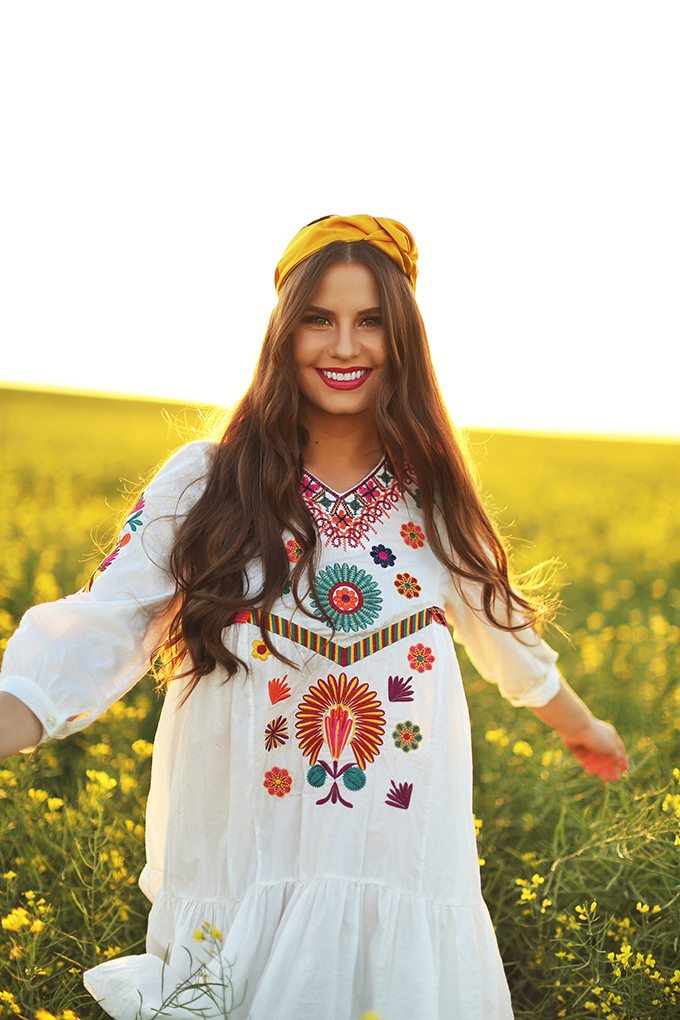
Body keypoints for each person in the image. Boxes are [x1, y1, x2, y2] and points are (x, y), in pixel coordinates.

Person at [0, 214, 628, 1020]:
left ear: (402, 340)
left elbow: (508, 638)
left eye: (370, 321)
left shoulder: (433, 502)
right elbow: (106, 622)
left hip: (396, 867)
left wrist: (581, 728)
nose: (344, 346)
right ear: (282, 331)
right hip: (242, 872)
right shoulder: (205, 481)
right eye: (318, 319)